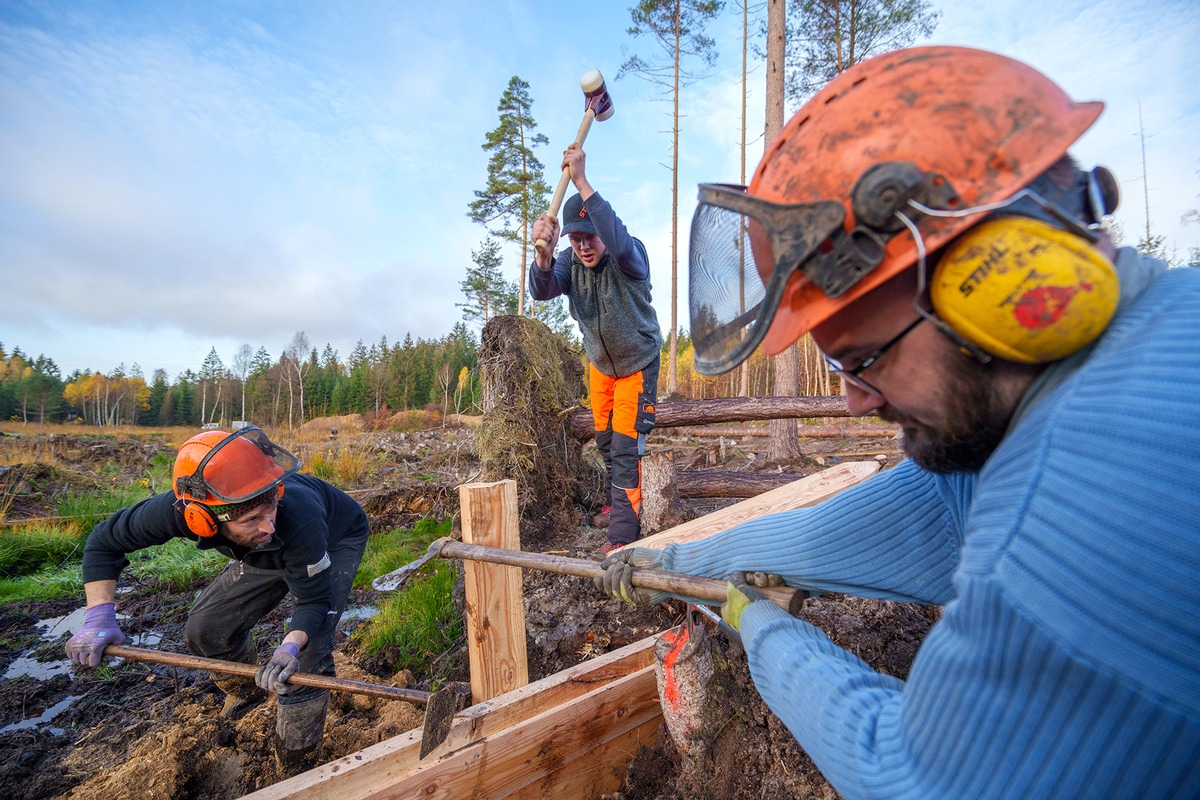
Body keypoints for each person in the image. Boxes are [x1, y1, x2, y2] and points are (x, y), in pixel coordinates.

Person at [599, 45, 1200, 799]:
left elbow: (910, 777)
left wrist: (766, 631)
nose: (854, 401)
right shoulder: (1140, 341)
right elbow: (903, 521)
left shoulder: (1083, 506)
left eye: (864, 359)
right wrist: (681, 565)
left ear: (993, 281)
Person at [65, 426, 370, 773]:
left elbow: (314, 601)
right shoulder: (180, 511)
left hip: (334, 536)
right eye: (251, 518)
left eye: (271, 507)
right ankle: (247, 692)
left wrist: (289, 648)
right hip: (267, 551)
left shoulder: (296, 516)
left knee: (310, 653)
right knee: (206, 630)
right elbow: (104, 542)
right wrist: (98, 617)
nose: (267, 524)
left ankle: (297, 760)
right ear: (203, 519)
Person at [530, 142, 663, 559]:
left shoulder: (629, 256)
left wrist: (582, 180)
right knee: (605, 442)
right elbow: (541, 289)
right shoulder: (570, 261)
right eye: (576, 238)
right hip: (601, 367)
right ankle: (614, 506)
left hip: (637, 364)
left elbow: (619, 244)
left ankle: (623, 537)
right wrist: (546, 257)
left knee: (625, 448)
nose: (584, 246)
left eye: (590, 236)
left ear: (603, 232)